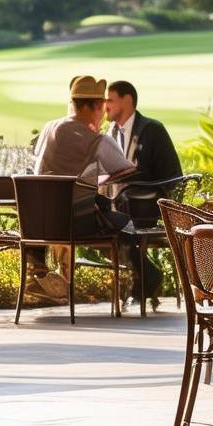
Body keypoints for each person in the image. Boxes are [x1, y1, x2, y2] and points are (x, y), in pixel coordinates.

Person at [32, 75, 160, 305]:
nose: (104, 112)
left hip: (40, 223)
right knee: (122, 222)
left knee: (107, 213)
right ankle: (147, 276)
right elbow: (126, 171)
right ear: (95, 106)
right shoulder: (98, 141)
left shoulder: (48, 128)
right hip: (75, 223)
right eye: (102, 106)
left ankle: (146, 277)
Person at [104, 80, 182, 183]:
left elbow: (172, 177)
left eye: (109, 100)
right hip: (119, 197)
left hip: (152, 197)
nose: (105, 107)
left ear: (127, 100)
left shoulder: (152, 130)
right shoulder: (111, 132)